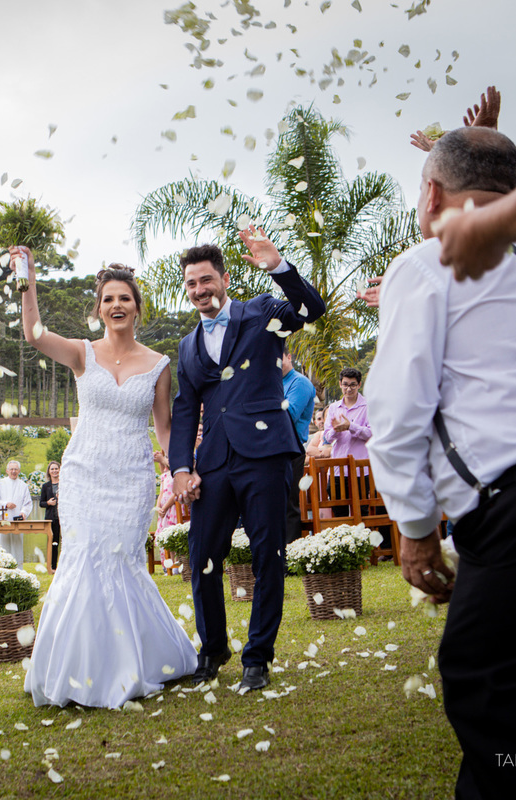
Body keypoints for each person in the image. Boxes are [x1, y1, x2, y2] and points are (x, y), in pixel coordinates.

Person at [368, 126, 516, 800]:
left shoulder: (428, 259)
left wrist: (414, 531)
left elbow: (400, 407)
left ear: (431, 192)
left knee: (495, 687)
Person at [18, 251, 198, 707]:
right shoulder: (83, 353)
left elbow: (165, 427)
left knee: (121, 562)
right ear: (98, 308)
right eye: (108, 299)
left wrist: (179, 471)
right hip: (83, 476)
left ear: (137, 306)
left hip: (131, 480)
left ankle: (127, 666)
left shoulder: (158, 364)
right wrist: (29, 284)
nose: (116, 305)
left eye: (125, 298)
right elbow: (35, 335)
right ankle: (74, 670)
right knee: (81, 560)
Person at [170, 234, 326, 692]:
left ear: (225, 278)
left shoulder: (260, 313)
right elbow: (185, 409)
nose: (199, 289)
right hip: (214, 462)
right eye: (191, 283)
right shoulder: (187, 346)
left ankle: (257, 657)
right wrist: (182, 467)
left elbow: (310, 310)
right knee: (202, 557)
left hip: (266, 455)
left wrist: (279, 266)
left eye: (206, 279)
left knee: (267, 555)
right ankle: (213, 648)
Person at [281, 345, 316, 543]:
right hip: (272, 449)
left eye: (279, 359)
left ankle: (290, 553)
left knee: (288, 503)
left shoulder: (299, 382)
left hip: (291, 449)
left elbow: (289, 415)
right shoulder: (273, 382)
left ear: (289, 356)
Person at [0, 460, 34, 563]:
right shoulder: (0, 483)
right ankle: (0, 569)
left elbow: (27, 503)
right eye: (11, 469)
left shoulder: (23, 486)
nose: (13, 471)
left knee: (16, 547)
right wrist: (5, 504)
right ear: (7, 471)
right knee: (1, 546)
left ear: (19, 471)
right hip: (2, 519)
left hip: (16, 521)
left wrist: (23, 513)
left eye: (16, 469)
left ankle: (17, 570)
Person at [321, 367, 370, 461]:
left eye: (353, 385)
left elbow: (371, 434)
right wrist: (336, 430)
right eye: (345, 385)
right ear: (340, 384)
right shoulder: (333, 407)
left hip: (361, 466)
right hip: (338, 465)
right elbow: (327, 437)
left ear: (359, 385)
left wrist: (350, 426)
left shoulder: (368, 406)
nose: (348, 389)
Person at [39, 460, 62, 569]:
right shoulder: (46, 486)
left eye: (56, 468)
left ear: (60, 470)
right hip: (51, 519)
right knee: (53, 542)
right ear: (49, 471)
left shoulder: (64, 484)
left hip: (63, 518)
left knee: (66, 542)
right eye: (52, 469)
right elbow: (41, 503)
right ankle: (53, 566)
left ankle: (64, 566)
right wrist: (48, 503)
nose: (54, 471)